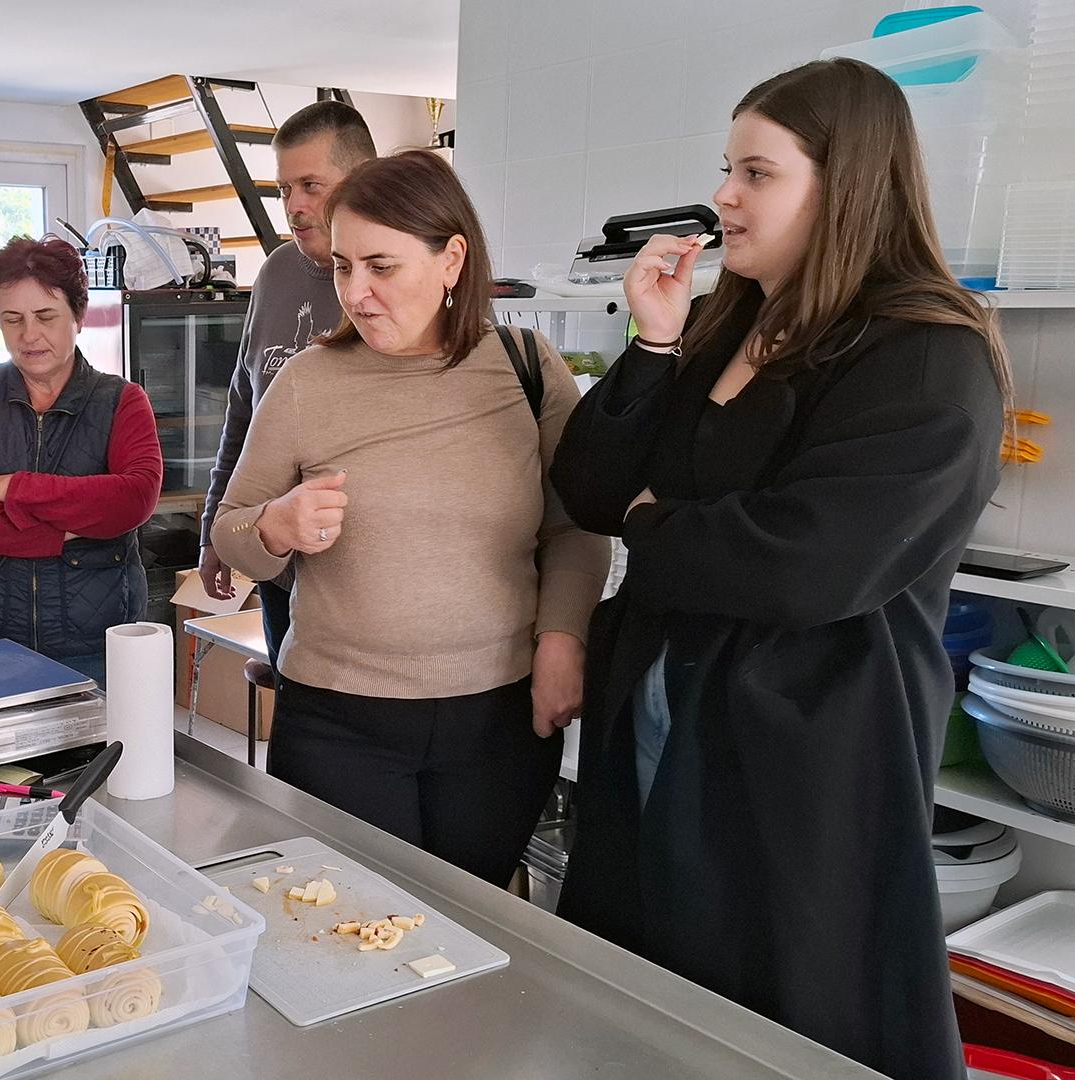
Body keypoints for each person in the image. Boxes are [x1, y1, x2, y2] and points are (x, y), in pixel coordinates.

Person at [548, 59, 1009, 1080]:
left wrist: (657, 530)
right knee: (643, 998)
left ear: (845, 184)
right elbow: (589, 490)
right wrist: (655, 347)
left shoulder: (928, 355)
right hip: (662, 715)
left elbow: (807, 565)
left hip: (801, 750)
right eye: (727, 168)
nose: (723, 196)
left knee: (773, 1016)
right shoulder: (727, 324)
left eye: (757, 172)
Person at [211, 151, 609, 885]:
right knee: (347, 935)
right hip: (338, 721)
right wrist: (274, 526)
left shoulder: (526, 366)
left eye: (381, 267)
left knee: (474, 924)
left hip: (499, 719)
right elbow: (230, 528)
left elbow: (576, 526)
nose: (355, 294)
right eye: (341, 267)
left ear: (452, 259)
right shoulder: (307, 381)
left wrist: (562, 637)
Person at [0, 236, 162, 683]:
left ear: (79, 315)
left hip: (94, 645)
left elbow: (133, 499)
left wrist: (11, 486)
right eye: (12, 319)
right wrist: (65, 531)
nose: (28, 335)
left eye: (45, 316)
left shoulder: (123, 401)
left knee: (95, 756)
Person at [197, 101, 376, 660]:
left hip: (363, 584)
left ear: (363, 182)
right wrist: (216, 528)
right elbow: (242, 413)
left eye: (311, 186)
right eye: (283, 190)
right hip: (278, 570)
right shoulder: (275, 272)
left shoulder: (394, 287)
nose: (294, 207)